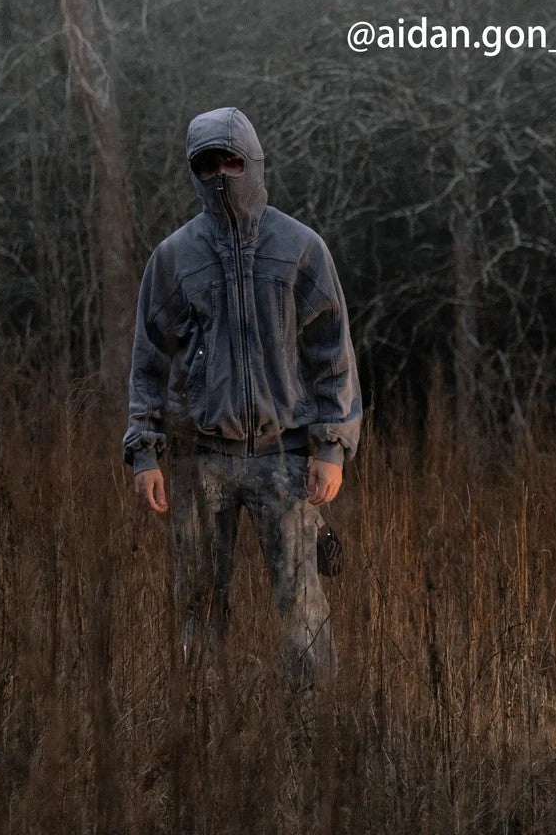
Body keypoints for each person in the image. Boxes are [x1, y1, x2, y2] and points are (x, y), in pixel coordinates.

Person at [122, 106, 362, 691]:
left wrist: (331, 447)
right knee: (199, 604)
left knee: (302, 605)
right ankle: (202, 724)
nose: (221, 175)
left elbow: (332, 352)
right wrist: (145, 452)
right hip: (198, 459)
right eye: (207, 165)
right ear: (194, 171)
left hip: (285, 456)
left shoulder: (300, 247)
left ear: (252, 161)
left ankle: (317, 726)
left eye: (231, 161)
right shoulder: (174, 257)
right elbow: (149, 360)